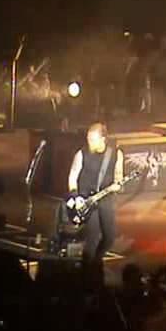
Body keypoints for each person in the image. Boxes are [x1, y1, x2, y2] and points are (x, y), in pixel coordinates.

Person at [67, 123, 125, 294]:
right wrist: (75, 196)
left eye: (93, 139)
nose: (89, 142)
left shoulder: (116, 154)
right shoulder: (81, 154)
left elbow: (119, 177)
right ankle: (86, 278)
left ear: (103, 139)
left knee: (110, 237)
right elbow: (72, 176)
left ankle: (95, 262)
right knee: (92, 237)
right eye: (88, 139)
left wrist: (118, 185)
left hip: (105, 199)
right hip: (86, 200)